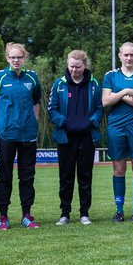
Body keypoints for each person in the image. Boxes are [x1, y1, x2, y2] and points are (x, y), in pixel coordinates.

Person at [0, 43, 43, 230]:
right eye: (12, 57)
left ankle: (26, 215)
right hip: (6, 134)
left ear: (24, 58)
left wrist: (35, 120)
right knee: (4, 175)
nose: (16, 60)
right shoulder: (0, 77)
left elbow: (36, 101)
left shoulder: (32, 77)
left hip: (28, 135)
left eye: (19, 57)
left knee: (27, 176)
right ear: (7, 58)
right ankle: (3, 216)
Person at [48, 50, 101, 225]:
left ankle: (84, 213)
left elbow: (100, 109)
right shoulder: (59, 84)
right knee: (66, 176)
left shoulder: (94, 84)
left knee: (85, 176)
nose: (73, 70)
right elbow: (52, 110)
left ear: (84, 66)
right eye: (71, 66)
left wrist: (90, 122)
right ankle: (65, 213)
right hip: (65, 138)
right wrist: (64, 122)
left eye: (77, 67)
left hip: (87, 137)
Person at [102, 42, 133, 222]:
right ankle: (119, 210)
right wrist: (126, 91)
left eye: (132, 55)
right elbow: (105, 102)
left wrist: (119, 97)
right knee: (118, 170)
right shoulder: (111, 76)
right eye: (126, 55)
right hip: (116, 127)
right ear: (120, 56)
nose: (129, 58)